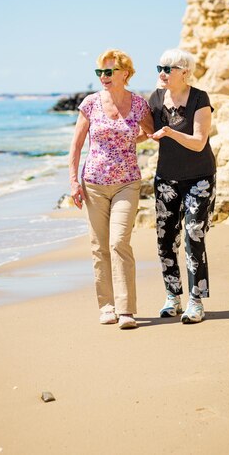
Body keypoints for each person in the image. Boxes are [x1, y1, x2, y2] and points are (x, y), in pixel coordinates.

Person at [69, 49, 154, 329]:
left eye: (109, 71)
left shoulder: (139, 104)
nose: (103, 77)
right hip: (93, 184)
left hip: (127, 182)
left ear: (125, 74)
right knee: (99, 247)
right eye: (100, 72)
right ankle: (107, 306)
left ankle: (126, 310)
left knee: (119, 242)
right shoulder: (91, 103)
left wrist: (129, 142)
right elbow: (77, 144)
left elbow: (150, 133)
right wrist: (73, 181)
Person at [148, 48, 216, 324]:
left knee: (193, 234)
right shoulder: (154, 99)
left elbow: (199, 142)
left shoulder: (200, 98)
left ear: (184, 72)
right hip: (166, 178)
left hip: (199, 176)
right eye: (159, 68)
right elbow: (144, 130)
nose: (162, 74)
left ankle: (195, 301)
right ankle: (172, 296)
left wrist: (170, 132)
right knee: (166, 238)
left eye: (168, 69)